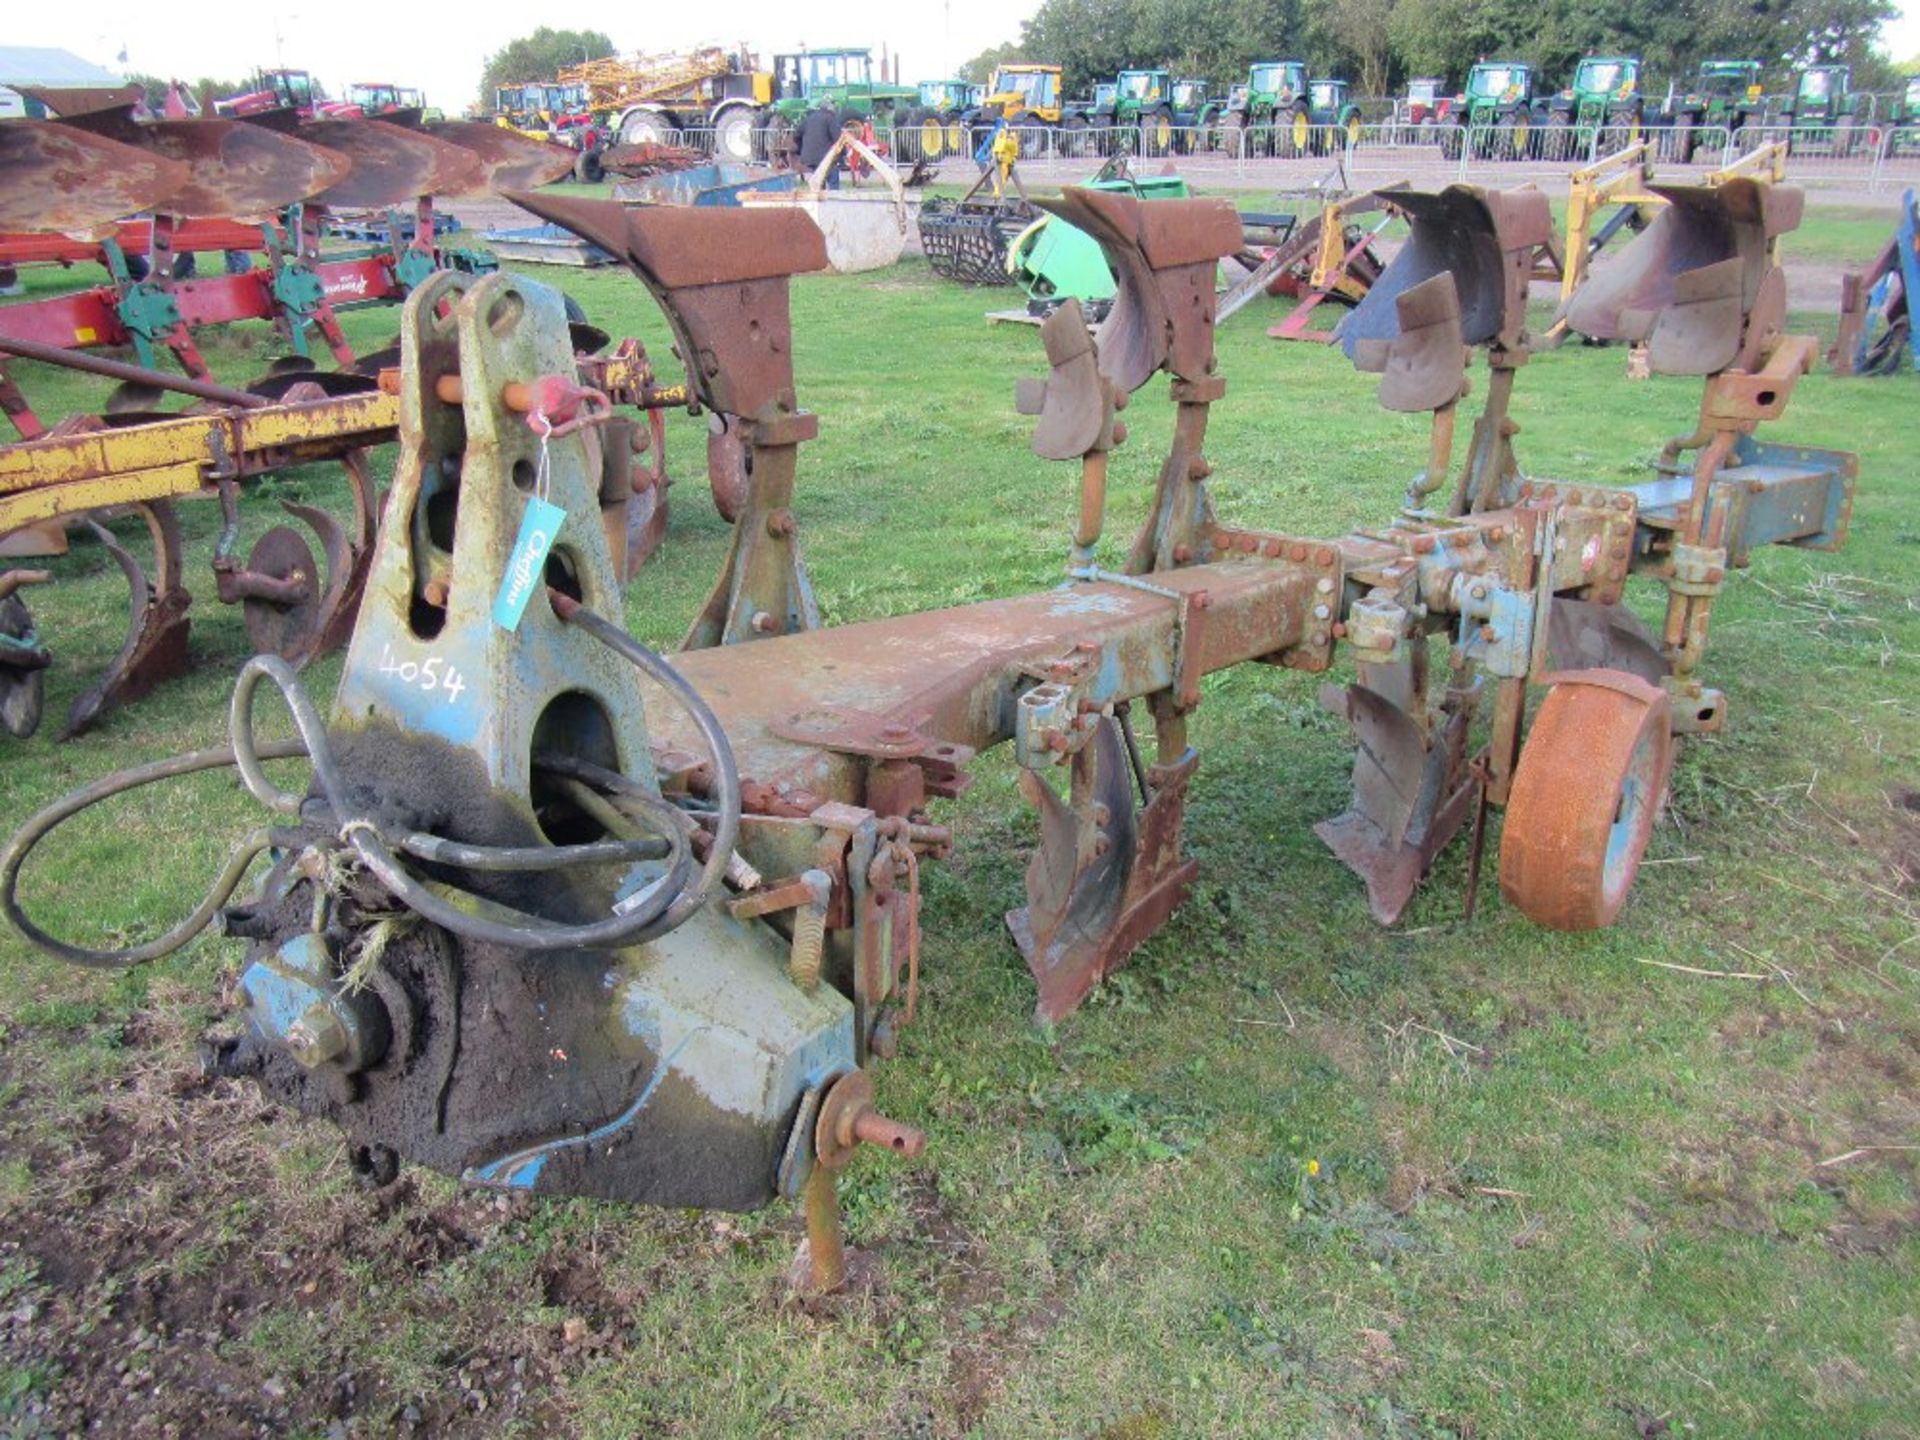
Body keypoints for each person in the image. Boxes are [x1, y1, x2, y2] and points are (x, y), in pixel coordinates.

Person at [797, 100, 842, 187]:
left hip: (811, 157)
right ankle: (835, 200)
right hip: (827, 157)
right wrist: (843, 154)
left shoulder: (809, 118)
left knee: (819, 184)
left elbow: (796, 134)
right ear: (829, 109)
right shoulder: (830, 118)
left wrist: (800, 150)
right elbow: (838, 138)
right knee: (833, 182)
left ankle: (819, 199)